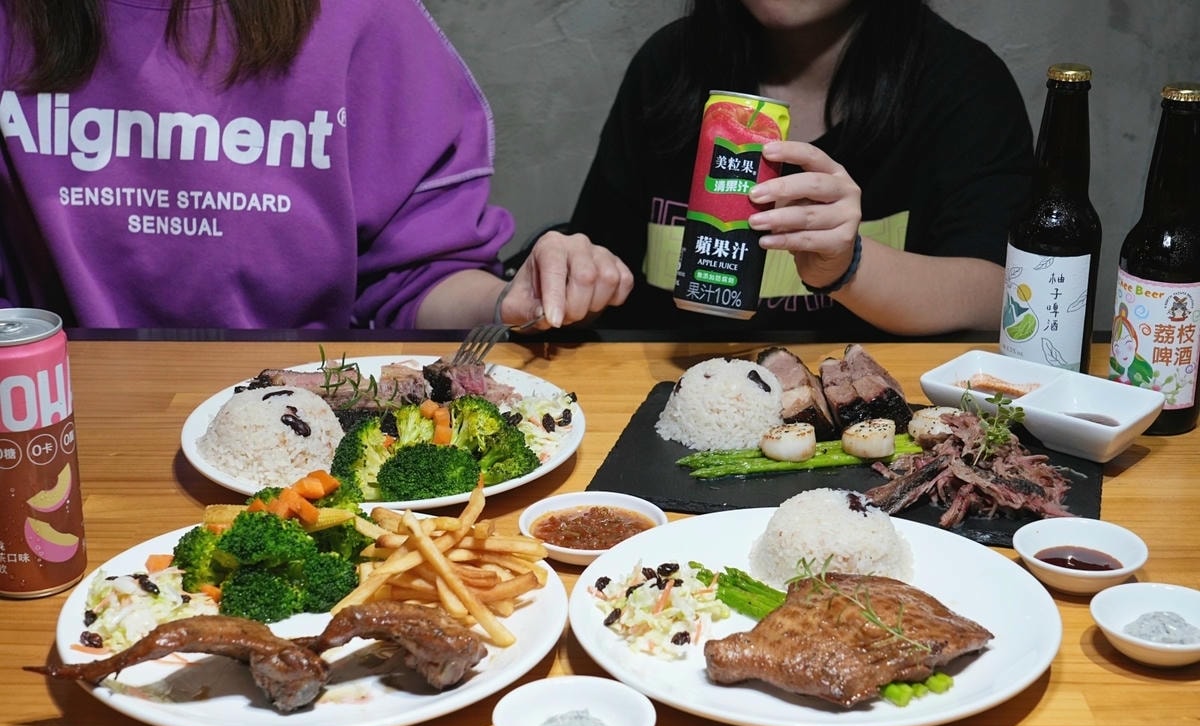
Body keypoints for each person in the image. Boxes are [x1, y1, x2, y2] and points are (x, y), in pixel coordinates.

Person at [0, 0, 630, 329]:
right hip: (46, 421)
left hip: (307, 424)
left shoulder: (365, 20)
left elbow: (412, 280)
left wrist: (510, 302)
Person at [570, 0, 1034, 335]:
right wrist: (563, 280)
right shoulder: (666, 67)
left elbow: (999, 296)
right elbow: (596, 272)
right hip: (658, 407)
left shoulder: (962, 84)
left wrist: (848, 263)